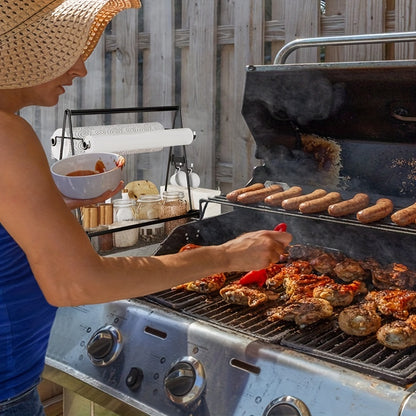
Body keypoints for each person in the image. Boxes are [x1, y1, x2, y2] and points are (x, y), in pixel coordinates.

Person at [0, 1, 292, 415]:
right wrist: (228, 255)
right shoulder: (6, 134)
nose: (80, 70)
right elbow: (76, 284)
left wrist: (49, 203)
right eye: (68, 54)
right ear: (25, 55)